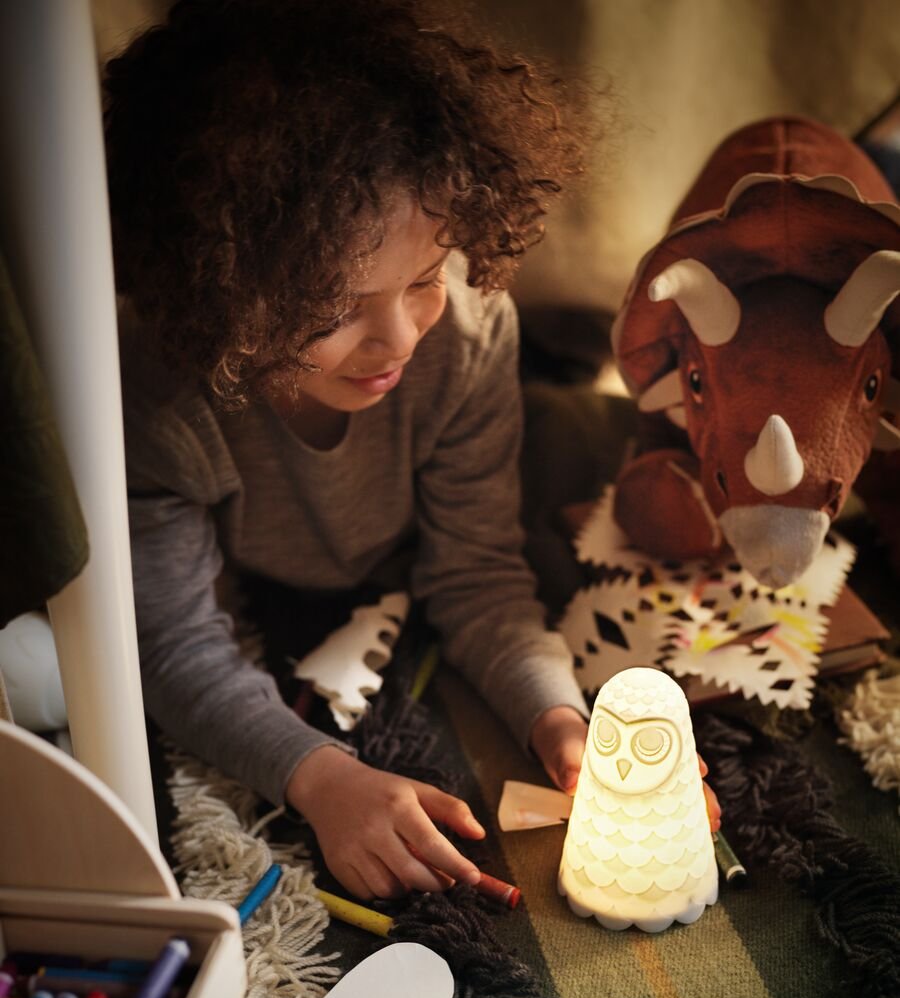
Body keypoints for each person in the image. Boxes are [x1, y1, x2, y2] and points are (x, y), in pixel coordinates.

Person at [105, 0, 715, 902]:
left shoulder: (464, 328)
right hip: (281, 585)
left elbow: (478, 571)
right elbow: (173, 643)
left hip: (444, 508)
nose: (397, 340)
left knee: (590, 459)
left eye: (423, 278)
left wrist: (559, 718)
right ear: (217, 290)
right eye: (334, 309)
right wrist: (320, 777)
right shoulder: (156, 387)